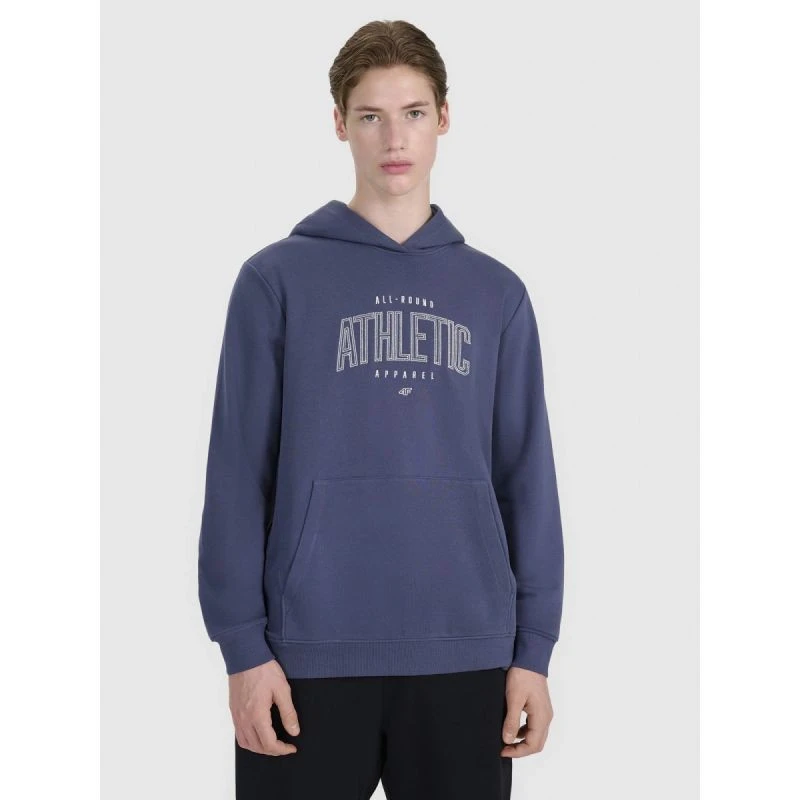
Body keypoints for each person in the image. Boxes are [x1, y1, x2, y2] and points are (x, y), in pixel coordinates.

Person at [198, 18, 565, 800]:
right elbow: (236, 474)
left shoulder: (496, 294)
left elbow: (527, 477)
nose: (394, 138)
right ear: (339, 123)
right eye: (370, 115)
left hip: (467, 654)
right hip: (304, 658)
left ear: (444, 118)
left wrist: (534, 650)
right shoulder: (275, 281)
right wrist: (242, 650)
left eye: (413, 113)